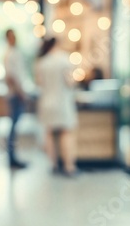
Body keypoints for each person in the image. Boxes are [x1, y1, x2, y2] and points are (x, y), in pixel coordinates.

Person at [35, 37, 78, 176]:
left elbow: (39, 83)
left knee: (49, 133)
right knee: (66, 133)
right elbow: (69, 82)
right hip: (62, 102)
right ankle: (69, 167)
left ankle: (53, 165)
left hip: (46, 103)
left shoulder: (42, 62)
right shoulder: (64, 59)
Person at [3, 29, 28, 168]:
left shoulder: (15, 53)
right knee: (13, 127)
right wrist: (20, 93)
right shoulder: (9, 55)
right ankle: (12, 158)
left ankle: (13, 156)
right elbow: (10, 77)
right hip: (15, 95)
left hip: (17, 93)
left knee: (14, 126)